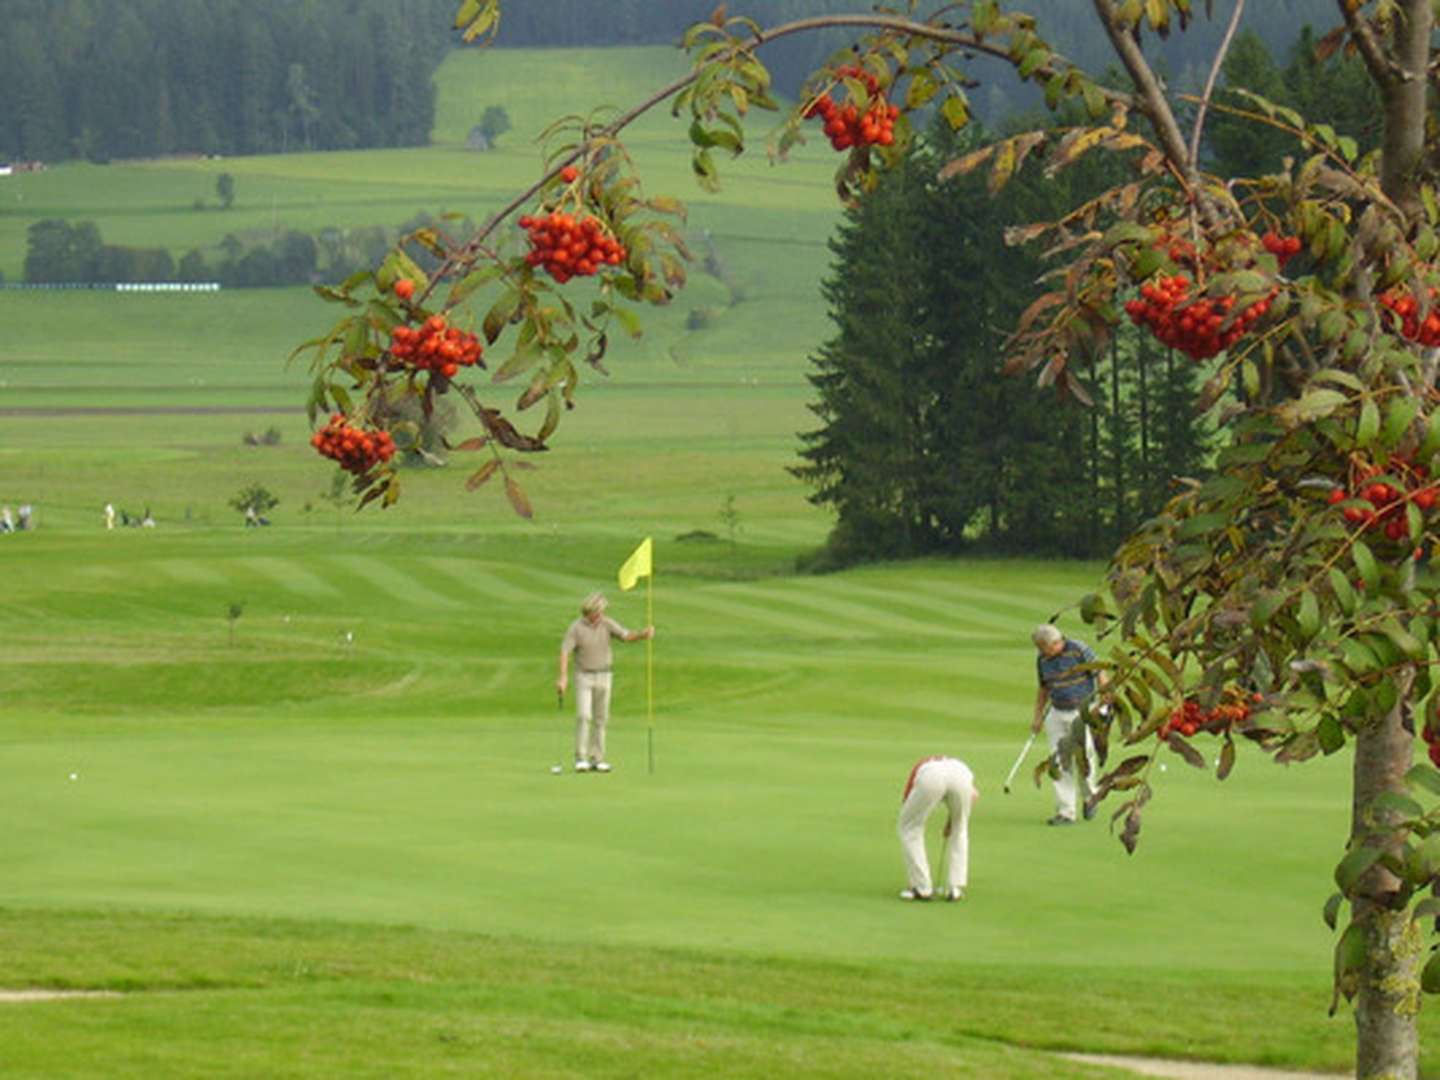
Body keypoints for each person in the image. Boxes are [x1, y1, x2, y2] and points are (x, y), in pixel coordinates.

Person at [556, 591, 654, 773]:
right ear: (590, 611)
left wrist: (642, 635)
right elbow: (564, 652)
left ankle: (597, 759)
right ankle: (581, 758)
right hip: (584, 675)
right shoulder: (576, 628)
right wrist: (563, 677)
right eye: (598, 612)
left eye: (602, 612)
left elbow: (625, 636)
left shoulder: (607, 624)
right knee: (584, 716)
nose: (601, 615)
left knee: (601, 718)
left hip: (604, 675)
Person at [1030, 623, 1108, 825]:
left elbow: (1100, 673)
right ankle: (1066, 812)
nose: (1041, 653)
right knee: (1059, 761)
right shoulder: (1042, 660)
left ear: (1055, 643)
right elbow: (1043, 689)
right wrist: (1038, 716)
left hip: (1081, 712)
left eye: (1043, 648)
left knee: (1084, 759)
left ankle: (1091, 797)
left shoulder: (1079, 650)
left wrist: (1104, 702)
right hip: (1056, 712)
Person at [897, 755, 977, 901]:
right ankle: (954, 888)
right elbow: (973, 797)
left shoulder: (920, 768)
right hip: (962, 774)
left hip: (931, 776)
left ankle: (921, 887)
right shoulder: (957, 765)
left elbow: (907, 803)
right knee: (960, 828)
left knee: (909, 827)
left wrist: (949, 823)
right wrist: (951, 823)